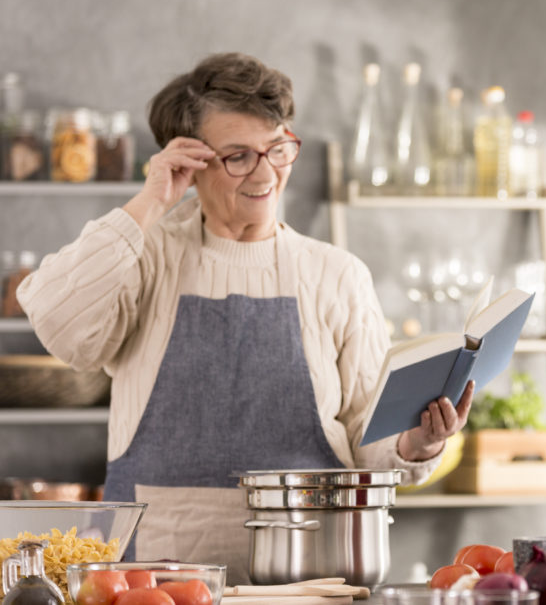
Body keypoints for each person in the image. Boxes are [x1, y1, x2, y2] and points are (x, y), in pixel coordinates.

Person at [17, 52, 473, 582]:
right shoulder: (147, 258)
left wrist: (414, 444)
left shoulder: (337, 275)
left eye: (277, 148)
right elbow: (54, 317)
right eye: (238, 155)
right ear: (189, 161)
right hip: (154, 582)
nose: (265, 173)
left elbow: (368, 440)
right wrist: (151, 200)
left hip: (310, 579)